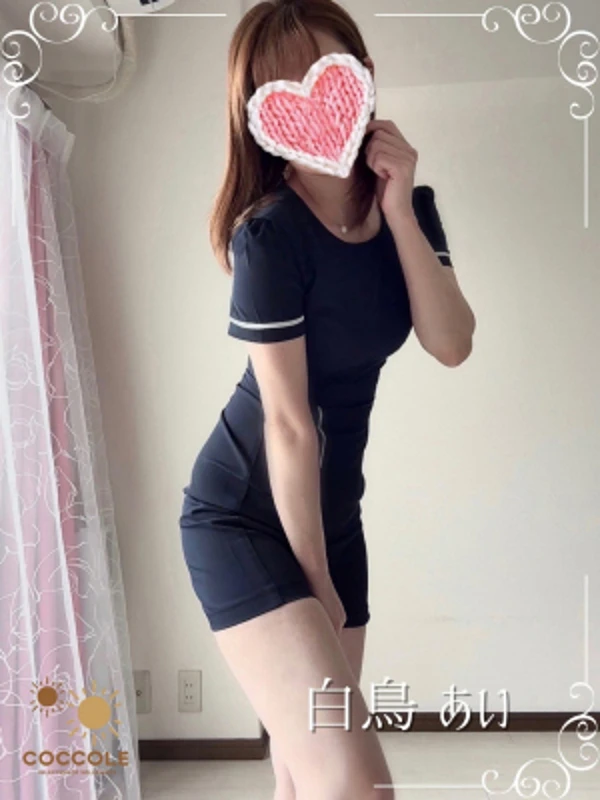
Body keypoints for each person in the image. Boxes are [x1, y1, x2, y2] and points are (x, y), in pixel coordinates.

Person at [179, 1, 476, 798]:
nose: (309, 100)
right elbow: (287, 423)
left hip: (334, 514)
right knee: (355, 784)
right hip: (245, 517)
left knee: (308, 777)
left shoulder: (411, 208)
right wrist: (315, 580)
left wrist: (398, 206)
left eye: (324, 73)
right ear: (258, 113)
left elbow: (451, 342)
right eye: (280, 87)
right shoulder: (269, 235)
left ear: (364, 78)